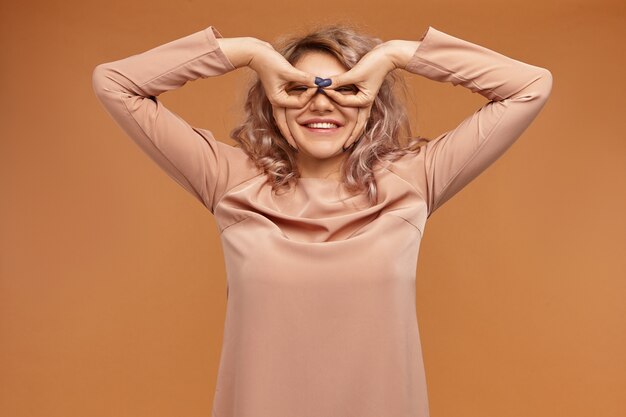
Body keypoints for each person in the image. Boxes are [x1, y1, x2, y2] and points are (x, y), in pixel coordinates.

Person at [92, 21, 552, 417]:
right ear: (272, 100)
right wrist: (248, 53)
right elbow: (114, 82)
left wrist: (396, 55)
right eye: (298, 88)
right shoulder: (228, 180)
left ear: (372, 102)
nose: (321, 104)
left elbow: (529, 86)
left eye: (346, 89)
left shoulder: (414, 180)